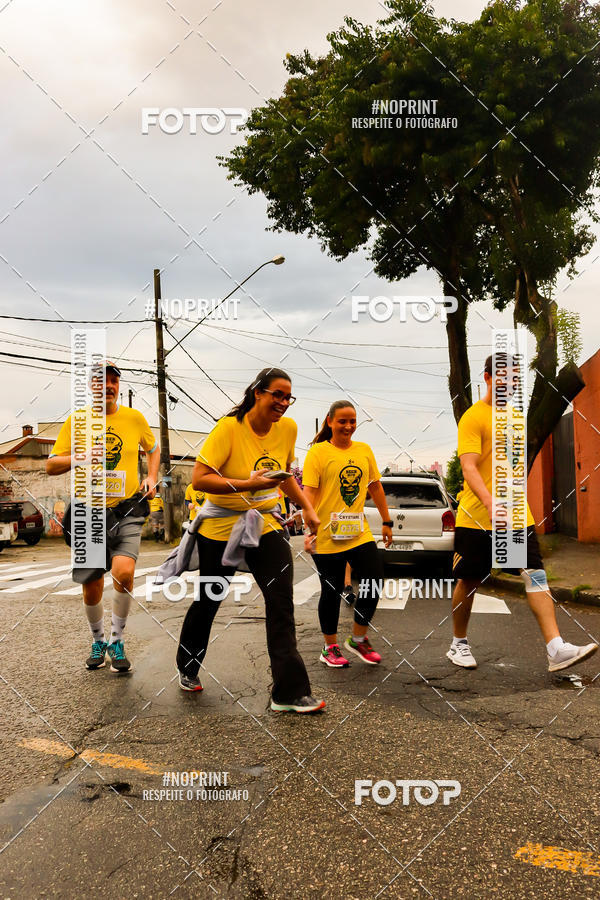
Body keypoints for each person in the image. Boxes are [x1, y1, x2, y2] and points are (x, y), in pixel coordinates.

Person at [175, 367, 325, 714]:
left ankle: (289, 692)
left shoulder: (287, 428)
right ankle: (188, 664)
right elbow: (200, 479)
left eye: (289, 397)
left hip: (264, 524)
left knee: (280, 600)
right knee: (209, 600)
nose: (284, 403)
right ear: (258, 392)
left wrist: (307, 507)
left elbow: (284, 475)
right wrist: (247, 484)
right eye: (278, 395)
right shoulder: (229, 428)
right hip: (222, 527)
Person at [448, 353, 598, 673]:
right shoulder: (473, 418)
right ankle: (458, 642)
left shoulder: (515, 418)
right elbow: (469, 466)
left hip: (516, 517)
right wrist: (490, 502)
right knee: (470, 580)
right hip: (476, 517)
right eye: (504, 377)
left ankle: (555, 648)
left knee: (535, 574)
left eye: (515, 378)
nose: (511, 384)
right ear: (488, 378)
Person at [46, 360, 159, 673]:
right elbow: (51, 465)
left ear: (117, 386)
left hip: (127, 508)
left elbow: (153, 447)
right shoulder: (77, 420)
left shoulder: (134, 418)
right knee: (92, 583)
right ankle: (98, 641)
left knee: (124, 573)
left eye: (113, 381)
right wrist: (81, 455)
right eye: (101, 382)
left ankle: (117, 640)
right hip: (87, 512)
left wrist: (151, 477)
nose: (108, 386)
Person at [303, 401, 393, 668]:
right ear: (329, 421)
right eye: (342, 421)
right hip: (326, 533)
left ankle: (358, 638)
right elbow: (309, 493)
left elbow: (375, 487)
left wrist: (386, 521)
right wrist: (310, 528)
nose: (349, 426)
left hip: (357, 531)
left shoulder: (364, 450)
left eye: (352, 421)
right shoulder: (318, 452)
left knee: (374, 580)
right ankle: (329, 646)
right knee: (330, 590)